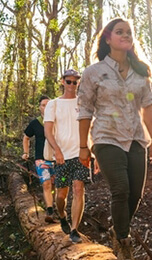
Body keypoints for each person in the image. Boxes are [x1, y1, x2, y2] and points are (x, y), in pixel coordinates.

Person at [77, 18, 152, 260]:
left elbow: (148, 108)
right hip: (105, 137)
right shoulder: (94, 72)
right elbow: (84, 110)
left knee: (135, 193)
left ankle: (118, 227)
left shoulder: (141, 71)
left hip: (136, 138)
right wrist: (83, 146)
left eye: (129, 32)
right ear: (108, 38)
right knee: (121, 189)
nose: (125, 35)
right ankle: (123, 243)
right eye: (119, 31)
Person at [44, 69, 90, 244]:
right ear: (62, 82)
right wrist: (57, 150)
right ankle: (62, 215)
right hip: (62, 156)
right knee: (61, 195)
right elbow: (48, 130)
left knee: (79, 189)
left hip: (81, 154)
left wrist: (93, 152)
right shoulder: (53, 104)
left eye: (75, 81)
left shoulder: (84, 102)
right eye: (69, 81)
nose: (72, 85)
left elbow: (91, 127)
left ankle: (74, 229)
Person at [22, 95, 56, 223]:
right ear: (39, 107)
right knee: (46, 183)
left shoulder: (57, 121)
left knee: (57, 185)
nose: (46, 107)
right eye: (43, 105)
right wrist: (26, 152)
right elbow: (26, 137)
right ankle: (50, 210)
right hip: (41, 159)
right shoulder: (35, 123)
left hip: (57, 158)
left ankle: (57, 208)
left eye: (48, 105)